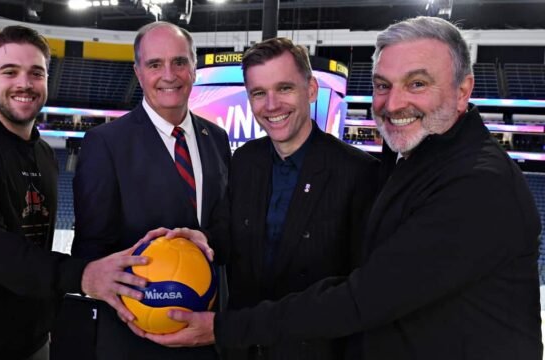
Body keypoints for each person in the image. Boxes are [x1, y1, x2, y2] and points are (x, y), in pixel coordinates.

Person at [141, 16, 544, 360]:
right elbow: (234, 237)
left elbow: (362, 296)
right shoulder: (248, 160)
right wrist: (207, 243)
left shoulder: (468, 183)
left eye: (417, 83)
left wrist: (224, 328)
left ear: (463, 90)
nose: (393, 102)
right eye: (383, 86)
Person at [0, 25, 148, 360]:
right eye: (10, 72)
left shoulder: (44, 155)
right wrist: (82, 275)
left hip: (33, 342)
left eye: (36, 73)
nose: (25, 84)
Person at [153, 37, 378, 360]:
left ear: (311, 90)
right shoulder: (245, 161)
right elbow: (227, 236)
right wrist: (201, 240)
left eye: (284, 88)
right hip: (242, 350)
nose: (271, 105)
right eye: (259, 93)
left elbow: (360, 293)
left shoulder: (358, 172)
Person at [70, 21, 230, 360]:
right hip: (136, 340)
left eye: (180, 62)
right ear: (138, 72)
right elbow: (89, 251)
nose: (169, 75)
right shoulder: (105, 144)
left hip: (206, 336)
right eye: (155, 64)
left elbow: (221, 227)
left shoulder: (217, 138)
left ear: (194, 68)